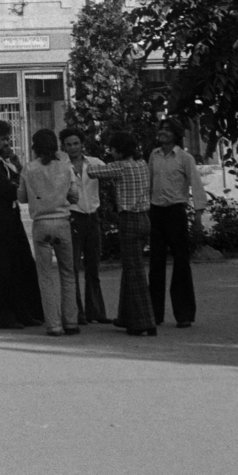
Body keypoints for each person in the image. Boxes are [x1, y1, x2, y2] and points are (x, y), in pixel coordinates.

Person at [0, 118, 45, 329]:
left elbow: (20, 180)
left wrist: (16, 164)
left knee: (22, 265)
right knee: (3, 269)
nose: (7, 143)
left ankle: (23, 312)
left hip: (10, 218)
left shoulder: (2, 160)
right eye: (4, 139)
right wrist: (18, 184)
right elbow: (9, 189)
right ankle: (3, 315)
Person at [89, 134, 156, 335]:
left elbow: (95, 172)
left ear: (119, 151)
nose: (111, 152)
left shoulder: (122, 167)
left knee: (134, 272)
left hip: (129, 219)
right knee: (130, 268)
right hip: (145, 217)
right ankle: (127, 316)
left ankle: (145, 322)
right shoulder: (142, 164)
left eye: (113, 149)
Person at [17, 128, 80, 336]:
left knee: (45, 276)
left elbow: (23, 197)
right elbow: (74, 196)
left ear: (35, 146)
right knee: (68, 273)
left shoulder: (29, 168)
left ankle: (53, 324)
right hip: (62, 221)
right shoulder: (65, 167)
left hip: (41, 224)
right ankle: (71, 321)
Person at [147, 120, 208, 329]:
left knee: (181, 263)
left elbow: (197, 186)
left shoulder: (184, 158)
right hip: (156, 213)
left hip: (176, 213)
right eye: (161, 129)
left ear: (176, 134)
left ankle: (184, 315)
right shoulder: (153, 156)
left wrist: (198, 217)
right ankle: (154, 314)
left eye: (167, 130)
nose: (162, 132)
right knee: (155, 264)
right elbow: (148, 184)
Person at [59, 127, 108, 325]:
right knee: (71, 267)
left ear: (82, 144)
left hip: (92, 218)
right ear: (63, 146)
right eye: (69, 144)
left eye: (76, 143)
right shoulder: (61, 166)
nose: (73, 148)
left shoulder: (95, 164)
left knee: (93, 266)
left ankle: (95, 311)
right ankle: (76, 313)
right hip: (73, 218)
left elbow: (113, 174)